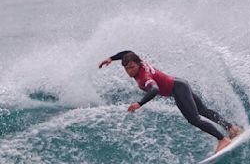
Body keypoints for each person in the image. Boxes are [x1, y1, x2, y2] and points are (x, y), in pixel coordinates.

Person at [98, 51, 242, 153]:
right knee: (203, 111)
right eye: (127, 68)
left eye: (132, 67)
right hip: (180, 83)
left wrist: (139, 103)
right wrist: (111, 58)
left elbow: (154, 89)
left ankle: (222, 139)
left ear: (138, 64)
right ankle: (232, 128)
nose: (130, 71)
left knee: (194, 119)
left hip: (177, 89)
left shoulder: (144, 77)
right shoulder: (138, 61)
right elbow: (127, 52)